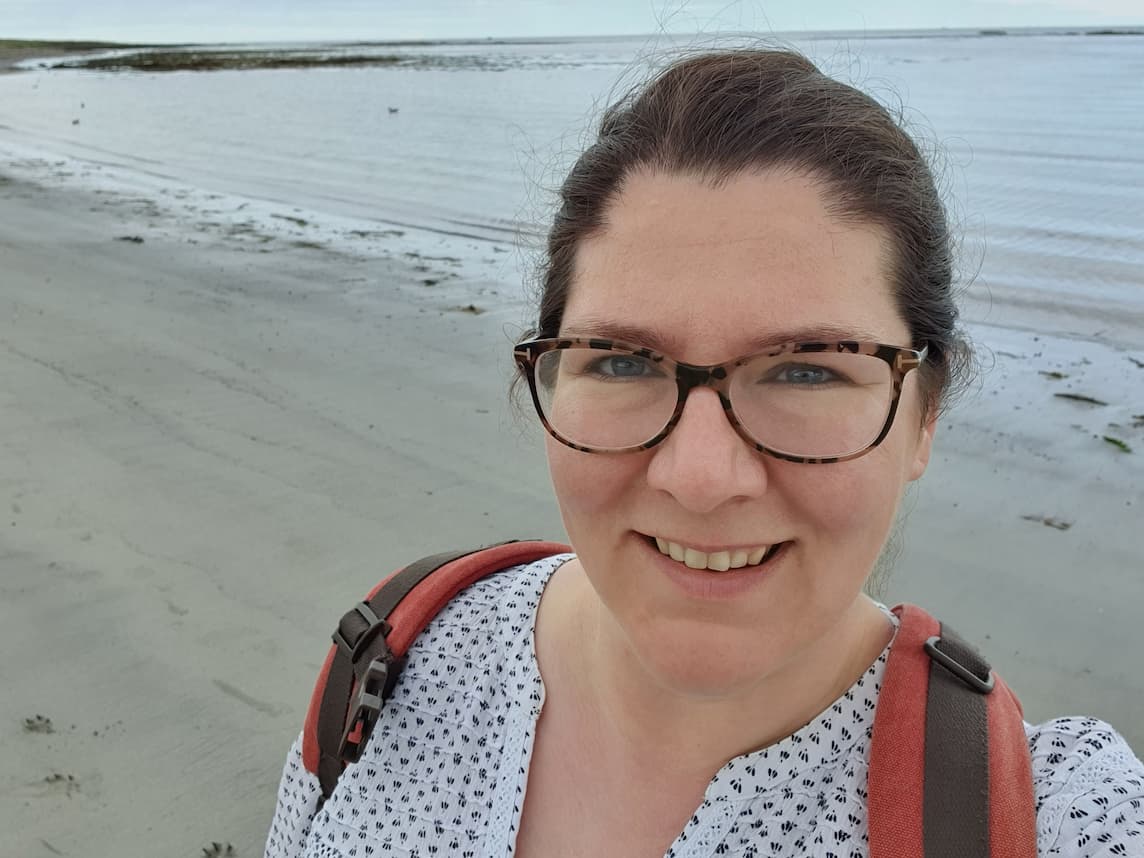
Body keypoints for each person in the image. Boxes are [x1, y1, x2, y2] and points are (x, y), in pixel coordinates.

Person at [265, 48, 1144, 857]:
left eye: (806, 371)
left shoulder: (1049, 817)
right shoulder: (400, 653)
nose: (700, 477)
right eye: (621, 360)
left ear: (924, 416)